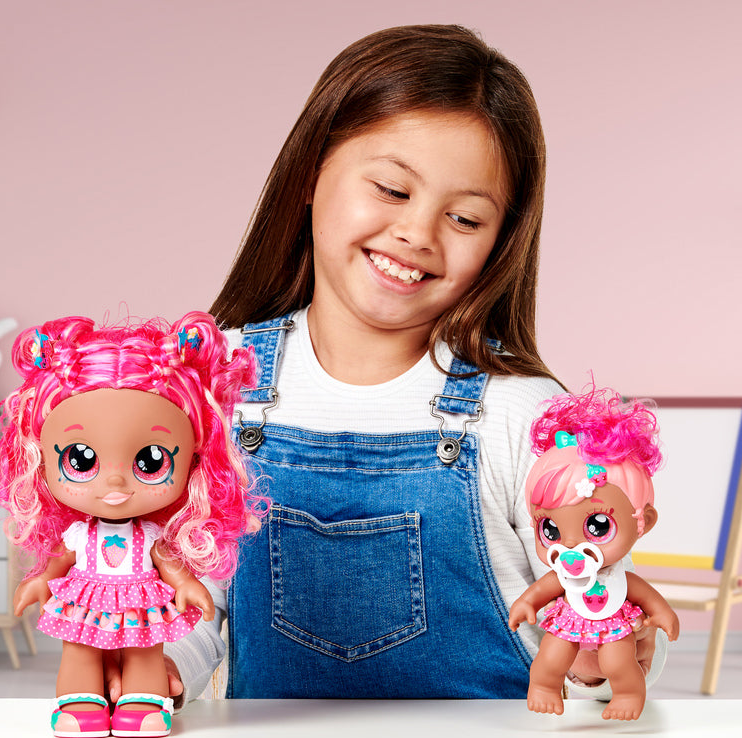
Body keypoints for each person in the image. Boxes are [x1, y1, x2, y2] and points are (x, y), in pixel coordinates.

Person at [144, 23, 663, 702]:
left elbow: (586, 611)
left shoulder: (523, 413)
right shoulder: (219, 382)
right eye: (392, 189)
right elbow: (195, 599)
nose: (417, 233)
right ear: (309, 173)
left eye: (466, 219)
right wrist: (162, 666)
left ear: (501, 241)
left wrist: (603, 659)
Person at [0, 313, 263, 736]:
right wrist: (40, 580)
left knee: (146, 649)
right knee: (80, 648)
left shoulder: (152, 536)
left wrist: (188, 585)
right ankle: (80, 701)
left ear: (195, 460)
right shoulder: (78, 535)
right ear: (39, 459)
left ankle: (144, 700)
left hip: (142, 600)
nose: (115, 482)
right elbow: (59, 560)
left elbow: (171, 565)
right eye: (81, 460)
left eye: (151, 461)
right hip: (85, 598)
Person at [509, 389, 679, 720]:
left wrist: (662, 613)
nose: (571, 546)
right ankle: (543, 687)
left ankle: (628, 694)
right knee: (552, 654)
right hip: (568, 620)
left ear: (643, 521)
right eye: (550, 529)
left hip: (614, 621)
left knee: (618, 661)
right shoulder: (562, 575)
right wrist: (526, 603)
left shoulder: (619, 577)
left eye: (598, 526)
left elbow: (644, 594)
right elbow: (543, 589)